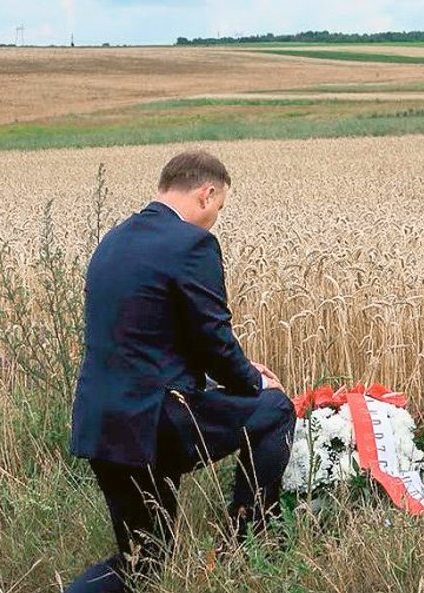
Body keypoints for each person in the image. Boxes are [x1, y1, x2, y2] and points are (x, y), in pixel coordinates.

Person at [66, 150, 296, 592]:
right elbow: (212, 337)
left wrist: (226, 374)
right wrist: (253, 380)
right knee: (276, 409)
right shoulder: (192, 243)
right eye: (219, 208)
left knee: (143, 563)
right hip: (155, 422)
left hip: (101, 425)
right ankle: (249, 546)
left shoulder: (113, 241)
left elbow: (145, 342)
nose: (215, 220)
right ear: (206, 194)